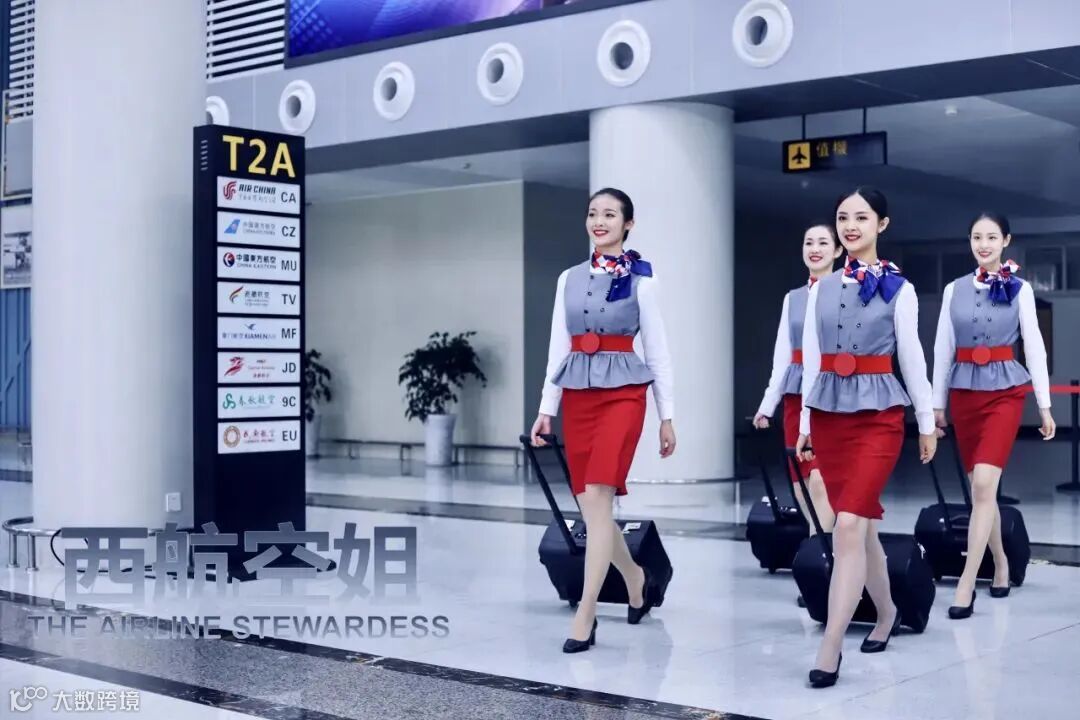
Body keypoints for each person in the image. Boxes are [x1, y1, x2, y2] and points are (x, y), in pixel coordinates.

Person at [795, 186, 937, 688]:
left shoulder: (901, 289)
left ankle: (830, 645)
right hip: (829, 416)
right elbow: (812, 362)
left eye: (861, 217)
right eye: (843, 218)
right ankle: (887, 610)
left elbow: (913, 359)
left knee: (849, 526)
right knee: (862, 532)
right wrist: (805, 425)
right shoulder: (820, 288)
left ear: (882, 224)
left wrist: (926, 422)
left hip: (879, 417)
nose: (850, 226)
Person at [529, 187, 676, 653]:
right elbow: (558, 345)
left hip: (624, 396)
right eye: (593, 213)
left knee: (598, 496)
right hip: (578, 396)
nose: (599, 221)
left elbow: (658, 352)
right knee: (592, 509)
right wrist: (546, 409)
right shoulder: (567, 279)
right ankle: (634, 577)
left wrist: (667, 416)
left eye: (610, 214)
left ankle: (586, 613)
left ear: (627, 224)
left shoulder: (643, 281)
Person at [932, 212, 1055, 618]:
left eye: (991, 237)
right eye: (976, 237)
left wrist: (1044, 404)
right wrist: (936, 404)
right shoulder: (953, 290)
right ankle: (1001, 562)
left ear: (1006, 241)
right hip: (964, 394)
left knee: (985, 484)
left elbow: (1034, 347)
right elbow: (942, 349)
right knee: (980, 492)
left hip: (1004, 393)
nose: (983, 244)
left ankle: (967, 582)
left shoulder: (1021, 289)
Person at [753, 222, 843, 536]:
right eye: (809, 243)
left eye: (823, 243)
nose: (815, 249)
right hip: (796, 396)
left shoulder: (848, 293)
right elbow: (782, 356)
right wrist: (767, 405)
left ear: (838, 250)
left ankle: (822, 550)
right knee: (800, 482)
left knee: (820, 478)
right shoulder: (792, 298)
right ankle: (821, 543)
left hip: (832, 395)